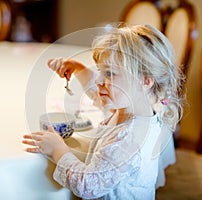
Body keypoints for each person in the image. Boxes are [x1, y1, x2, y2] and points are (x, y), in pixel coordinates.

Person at [22, 24, 184, 199]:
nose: (99, 79)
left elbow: (88, 185)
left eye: (110, 74)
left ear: (145, 81)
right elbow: (100, 97)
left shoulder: (129, 139)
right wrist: (78, 68)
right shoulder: (136, 107)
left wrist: (58, 150)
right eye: (100, 71)